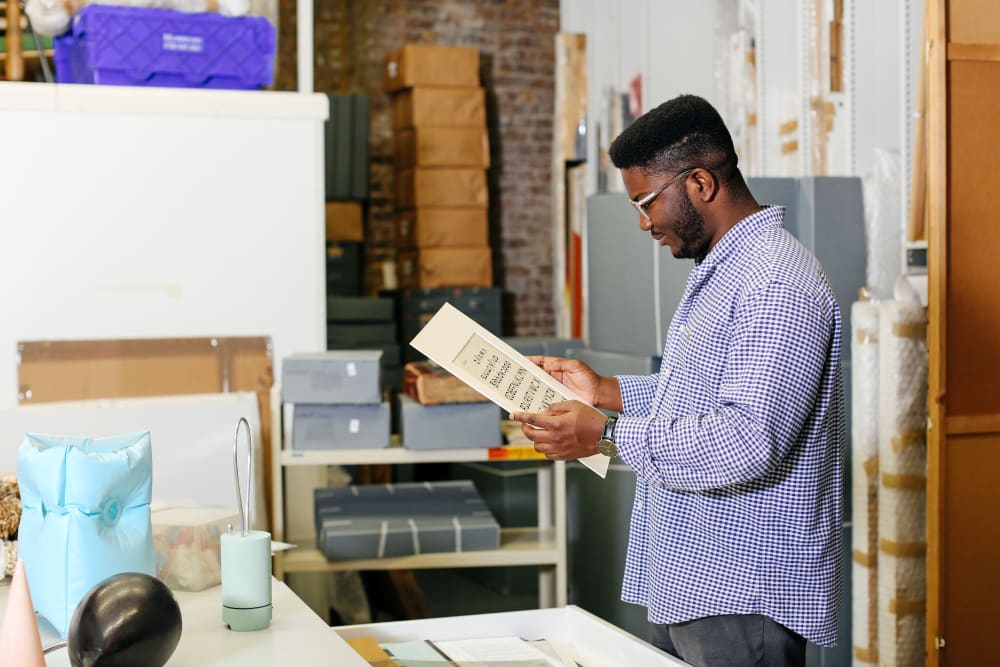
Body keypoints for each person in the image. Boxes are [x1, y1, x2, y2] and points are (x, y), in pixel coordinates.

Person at [511, 94, 844, 666]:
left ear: (700, 184)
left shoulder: (775, 283)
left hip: (742, 590)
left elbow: (747, 438)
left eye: (646, 202)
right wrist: (603, 391)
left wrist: (605, 434)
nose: (645, 223)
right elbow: (700, 396)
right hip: (694, 576)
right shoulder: (725, 268)